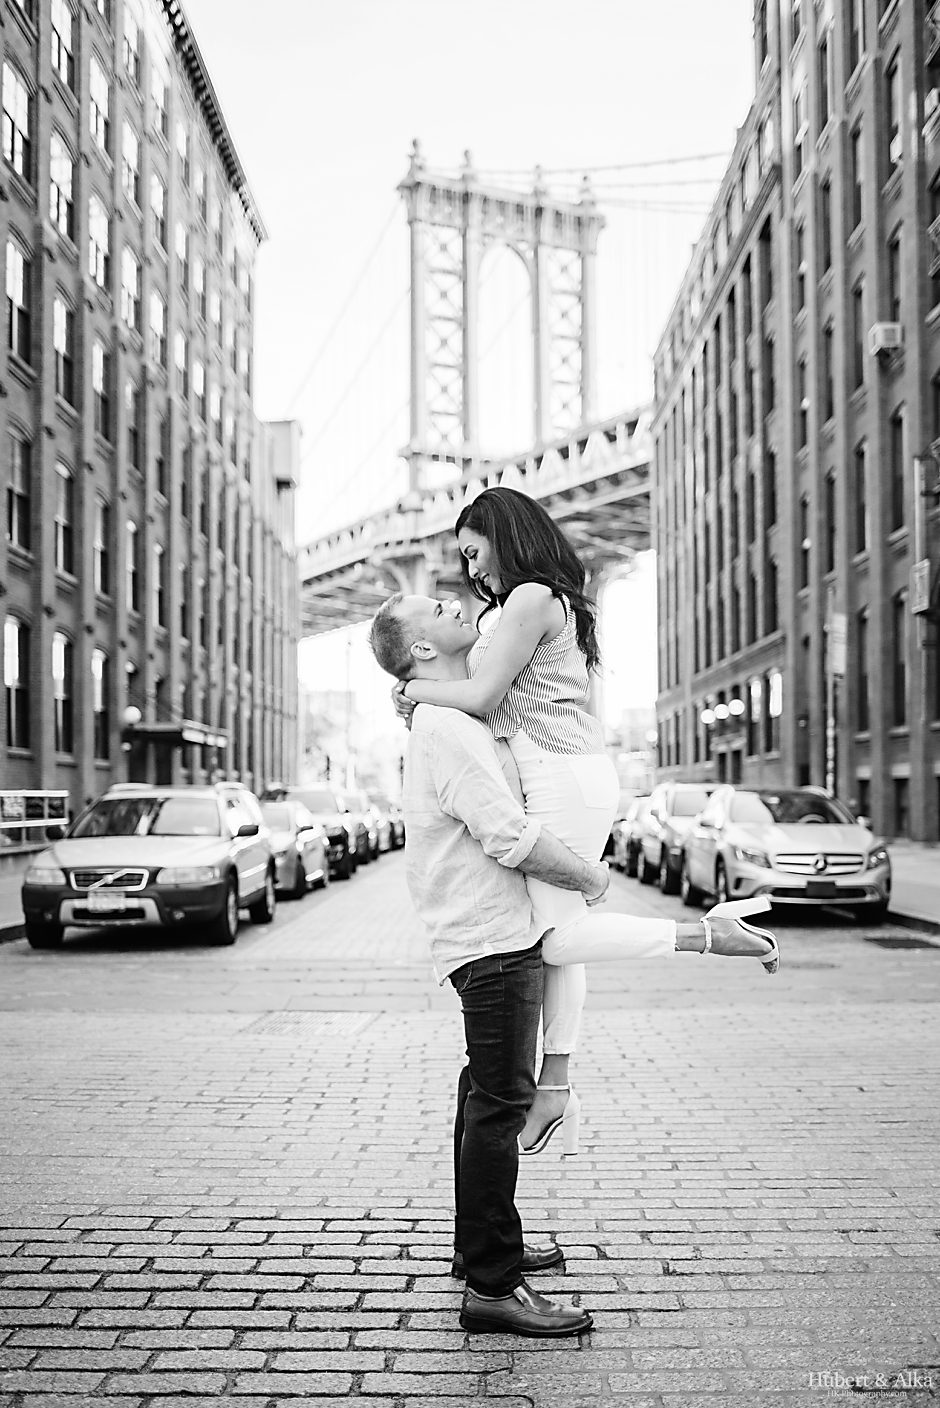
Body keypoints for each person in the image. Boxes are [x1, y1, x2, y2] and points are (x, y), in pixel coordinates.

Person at [368, 594, 773, 1337]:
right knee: (500, 1103)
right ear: (421, 649)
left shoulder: (454, 713)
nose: (456, 600)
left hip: (489, 930)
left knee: (480, 1091)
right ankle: (492, 1287)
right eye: (435, 605)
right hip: (490, 938)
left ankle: (483, 1247)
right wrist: (587, 877)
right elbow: (508, 834)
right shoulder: (447, 727)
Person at [391, 488, 778, 1156]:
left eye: (474, 552)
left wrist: (411, 689)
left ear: (503, 535)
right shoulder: (533, 603)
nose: (472, 570)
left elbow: (481, 696)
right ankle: (557, 1084)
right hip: (572, 773)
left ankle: (704, 936)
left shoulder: (529, 598)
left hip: (558, 776)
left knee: (550, 943)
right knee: (557, 935)